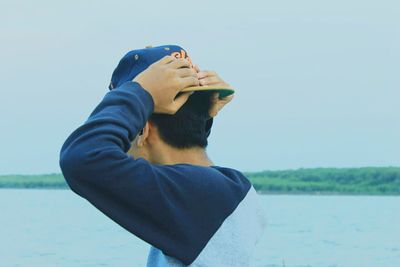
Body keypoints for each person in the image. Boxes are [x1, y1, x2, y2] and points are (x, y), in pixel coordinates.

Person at [60, 45, 266, 266]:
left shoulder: (196, 195)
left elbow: (82, 159)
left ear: (142, 129)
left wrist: (141, 92)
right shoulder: (230, 189)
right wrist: (200, 117)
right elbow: (187, 154)